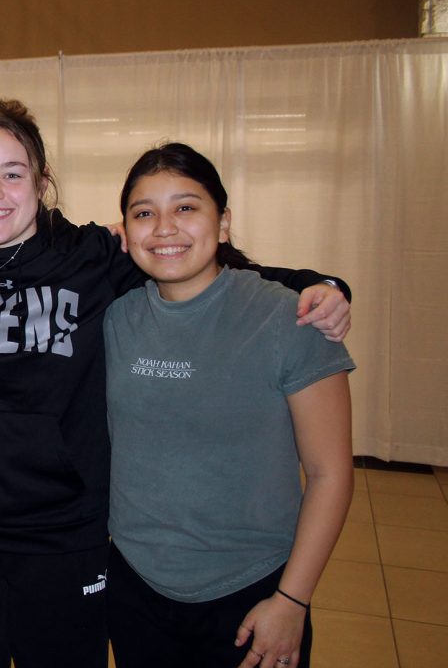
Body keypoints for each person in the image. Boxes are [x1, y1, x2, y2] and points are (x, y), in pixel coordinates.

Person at [0, 99, 351, 668]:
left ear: (42, 181)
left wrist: (322, 283)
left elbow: (198, 263)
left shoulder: (91, 253)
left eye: (12, 173)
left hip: (64, 533)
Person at [103, 143, 354, 668]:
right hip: (134, 587)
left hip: (251, 593)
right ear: (124, 233)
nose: (165, 227)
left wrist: (292, 600)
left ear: (223, 223)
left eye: (186, 207)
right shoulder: (114, 318)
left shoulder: (290, 319)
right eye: (144, 213)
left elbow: (331, 474)